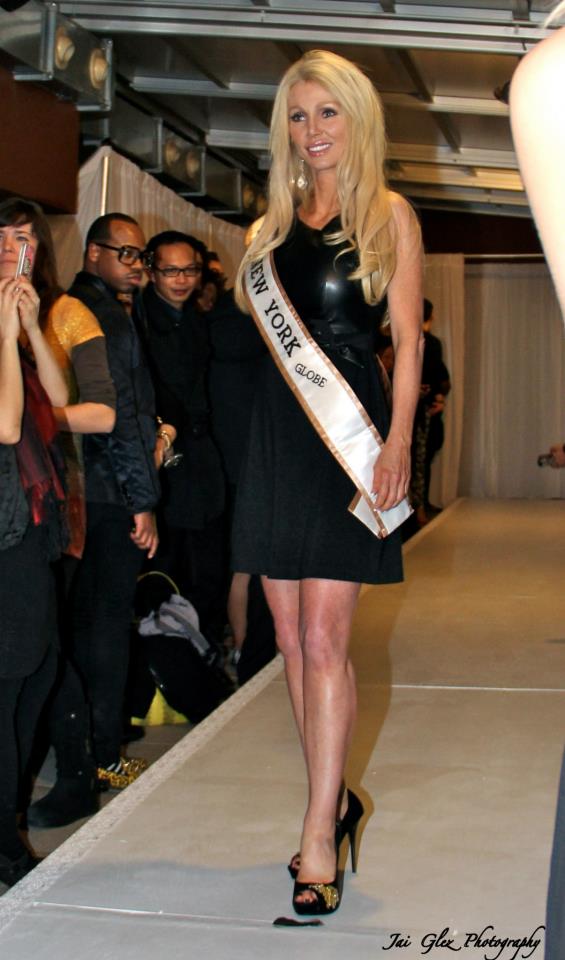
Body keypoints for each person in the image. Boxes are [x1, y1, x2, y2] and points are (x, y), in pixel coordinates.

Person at [233, 49, 423, 915]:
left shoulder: (388, 215)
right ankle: (334, 797)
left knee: (323, 638)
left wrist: (398, 442)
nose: (311, 130)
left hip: (350, 439)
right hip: (278, 436)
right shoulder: (264, 231)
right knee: (285, 636)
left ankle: (318, 834)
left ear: (356, 117)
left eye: (326, 112)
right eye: (298, 115)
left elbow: (408, 342)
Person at [39, 214, 160, 797]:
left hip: (71, 492)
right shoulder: (98, 316)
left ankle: (87, 752)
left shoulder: (66, 309)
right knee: (103, 626)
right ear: (92, 253)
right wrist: (143, 500)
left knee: (80, 626)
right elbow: (121, 420)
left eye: (141, 256)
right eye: (125, 254)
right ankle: (104, 755)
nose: (137, 266)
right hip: (103, 495)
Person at [0, 223, 68, 886]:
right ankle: (6, 844)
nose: (10, 250)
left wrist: (30, 329)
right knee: (13, 683)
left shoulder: (16, 326)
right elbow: (6, 424)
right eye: (0, 239)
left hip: (30, 526)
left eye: (21, 240)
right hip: (5, 534)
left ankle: (7, 825)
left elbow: (61, 399)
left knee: (38, 675)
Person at [134, 230, 226, 647]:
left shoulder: (195, 319)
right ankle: (174, 656)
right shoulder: (139, 322)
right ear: (151, 271)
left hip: (201, 455)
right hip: (165, 456)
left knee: (207, 564)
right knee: (172, 568)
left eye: (189, 270)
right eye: (171, 271)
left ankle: (202, 650)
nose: (181, 279)